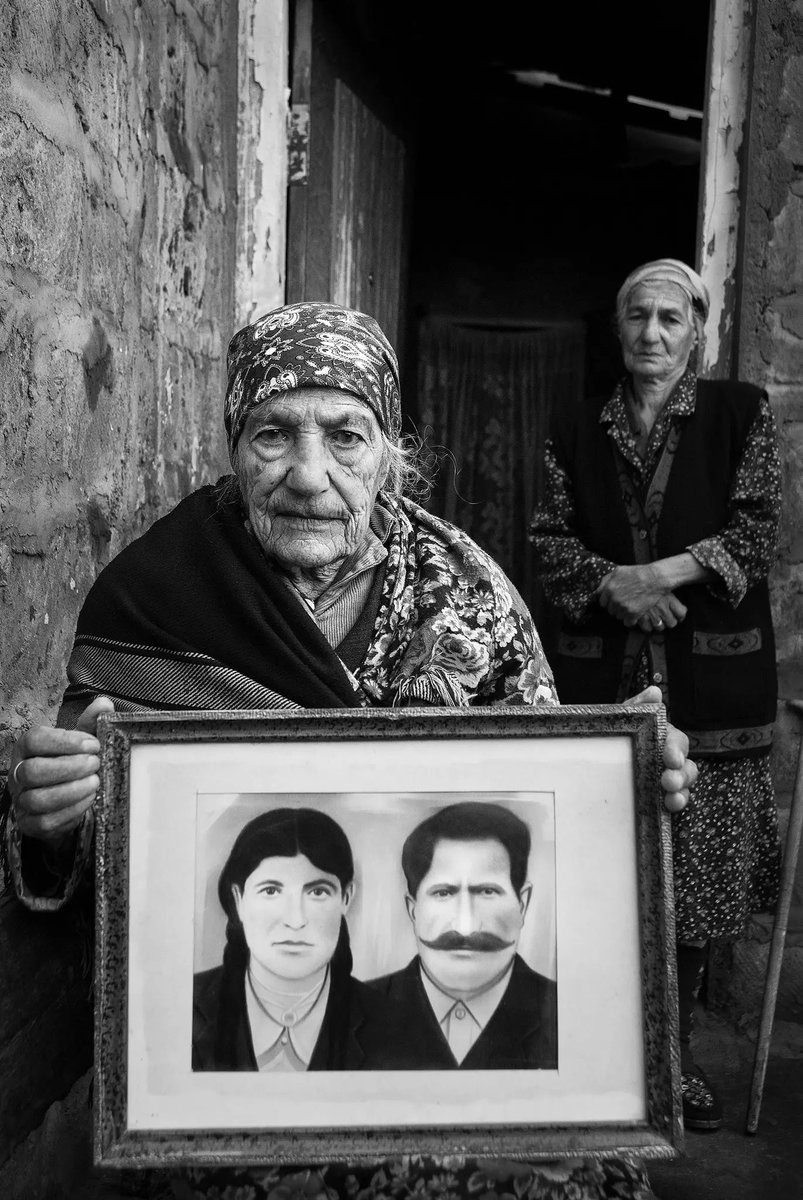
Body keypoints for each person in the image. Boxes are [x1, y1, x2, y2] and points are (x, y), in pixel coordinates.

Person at [5, 300, 697, 1199]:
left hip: (457, 1087)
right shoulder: (153, 599)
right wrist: (52, 820)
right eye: (272, 434)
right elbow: (117, 872)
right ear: (230, 444)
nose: (307, 473)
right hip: (236, 1089)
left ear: (390, 450)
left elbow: (550, 822)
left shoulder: (465, 594)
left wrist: (632, 792)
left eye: (345, 435)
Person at [530, 258, 782, 1133]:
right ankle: (603, 1059)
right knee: (600, 883)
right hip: (603, 685)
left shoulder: (738, 413)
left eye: (670, 318)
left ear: (697, 329)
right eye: (637, 316)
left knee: (691, 903)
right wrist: (609, 586)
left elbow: (754, 526)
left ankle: (671, 1066)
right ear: (617, 327)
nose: (651, 334)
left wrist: (652, 575)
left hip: (714, 693)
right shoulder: (575, 424)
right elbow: (547, 541)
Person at [193, 806, 412, 1072]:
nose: (295, 920)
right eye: (271, 891)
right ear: (239, 900)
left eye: (317, 892)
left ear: (346, 898)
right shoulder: (183, 1008)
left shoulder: (396, 1028)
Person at [368, 801, 556, 1070]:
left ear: (522, 904)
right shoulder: (350, 1015)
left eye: (487, 892)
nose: (466, 927)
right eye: (443, 893)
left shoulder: (569, 1014)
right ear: (413, 910)